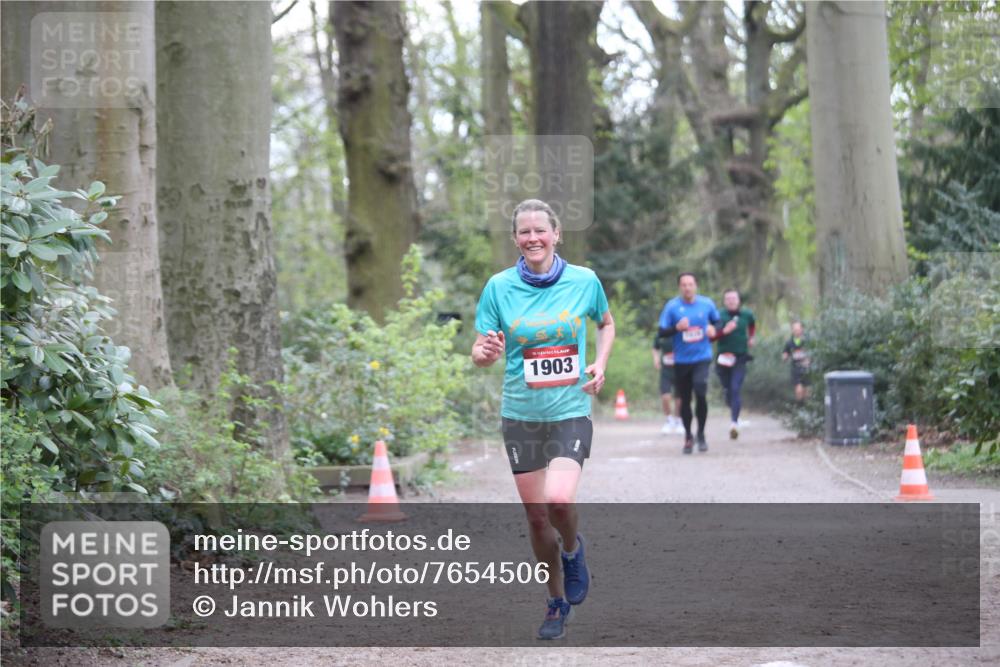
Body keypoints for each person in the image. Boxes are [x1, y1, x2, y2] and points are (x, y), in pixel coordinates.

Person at [471, 199, 615, 641]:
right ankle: (555, 602)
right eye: (524, 232)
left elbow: (606, 323)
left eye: (540, 230)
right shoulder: (498, 287)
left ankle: (573, 550)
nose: (533, 238)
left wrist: (600, 362)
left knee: (557, 501)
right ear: (515, 239)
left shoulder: (584, 281)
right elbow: (480, 350)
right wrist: (485, 353)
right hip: (521, 414)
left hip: (570, 411)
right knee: (536, 518)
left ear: (556, 234)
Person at [657, 273, 719, 454]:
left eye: (690, 284)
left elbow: (718, 322)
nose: (687, 287)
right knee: (684, 399)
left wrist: (713, 328)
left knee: (700, 390)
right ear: (679, 287)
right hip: (681, 360)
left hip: (702, 357)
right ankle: (688, 437)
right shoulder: (672, 307)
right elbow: (661, 332)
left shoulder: (707, 304)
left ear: (696, 286)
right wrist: (676, 328)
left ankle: (701, 434)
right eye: (683, 285)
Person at [713, 289, 756, 440]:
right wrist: (724, 331)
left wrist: (751, 337)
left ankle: (734, 423)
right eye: (728, 299)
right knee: (728, 391)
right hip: (723, 358)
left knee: (735, 387)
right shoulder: (719, 315)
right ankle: (734, 413)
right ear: (724, 301)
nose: (731, 301)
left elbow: (752, 324)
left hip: (740, 357)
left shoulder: (746, 314)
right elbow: (712, 337)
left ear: (738, 300)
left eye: (734, 298)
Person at [652, 329, 682, 434]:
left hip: (680, 370)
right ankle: (669, 420)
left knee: (679, 398)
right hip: (666, 371)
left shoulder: (681, 332)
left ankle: (679, 420)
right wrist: (655, 359)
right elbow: (655, 348)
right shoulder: (661, 334)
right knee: (665, 396)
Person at [782, 320, 810, 402]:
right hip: (796, 369)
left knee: (808, 392)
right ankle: (799, 407)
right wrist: (785, 356)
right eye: (795, 329)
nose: (797, 331)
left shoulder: (807, 341)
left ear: (802, 329)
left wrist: (809, 360)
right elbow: (785, 353)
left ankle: (807, 410)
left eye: (798, 329)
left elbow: (814, 352)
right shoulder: (789, 343)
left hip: (807, 369)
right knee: (799, 390)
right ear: (792, 330)